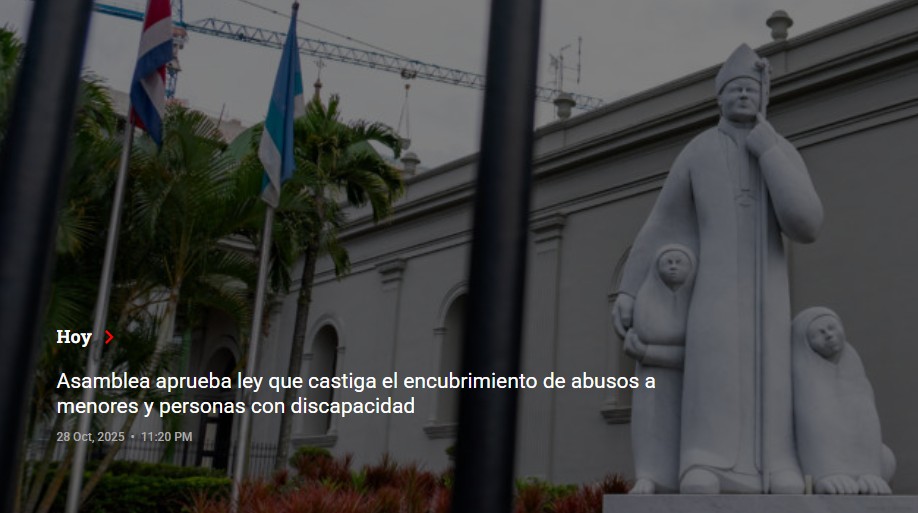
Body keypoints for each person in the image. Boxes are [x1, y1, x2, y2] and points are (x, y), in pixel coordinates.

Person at [612, 43, 823, 494]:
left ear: (763, 97)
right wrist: (628, 291)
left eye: (751, 89)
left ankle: (775, 463)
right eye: (735, 90)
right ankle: (704, 459)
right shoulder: (699, 150)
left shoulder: (778, 148)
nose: (744, 96)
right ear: (719, 98)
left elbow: (805, 223)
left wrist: (768, 148)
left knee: (771, 370)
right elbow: (662, 222)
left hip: (768, 291)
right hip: (714, 290)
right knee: (713, 370)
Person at [791, 307, 896, 495]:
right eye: (819, 333)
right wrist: (826, 473)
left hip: (868, 466)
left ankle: (867, 474)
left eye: (832, 327)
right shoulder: (805, 378)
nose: (829, 335)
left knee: (886, 457)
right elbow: (814, 431)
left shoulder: (853, 365)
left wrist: (871, 472)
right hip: (822, 466)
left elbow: (867, 425)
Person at [625, 244, 696, 494]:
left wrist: (648, 352)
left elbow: (698, 352)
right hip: (652, 380)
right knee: (651, 425)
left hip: (690, 384)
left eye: (679, 262)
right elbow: (646, 334)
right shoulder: (648, 301)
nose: (674, 267)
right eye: (668, 262)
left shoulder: (698, 305)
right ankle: (649, 476)